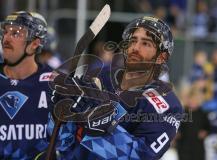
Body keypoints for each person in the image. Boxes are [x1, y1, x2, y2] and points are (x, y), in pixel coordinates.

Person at [49, 16, 183, 160]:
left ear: (161, 57)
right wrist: (59, 115)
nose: (135, 48)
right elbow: (64, 143)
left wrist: (100, 122)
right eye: (132, 40)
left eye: (146, 43)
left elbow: (142, 156)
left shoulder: (167, 105)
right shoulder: (100, 75)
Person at [0, 11, 53, 159]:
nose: (6, 38)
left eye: (16, 33)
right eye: (5, 32)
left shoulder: (54, 84)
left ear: (35, 43)